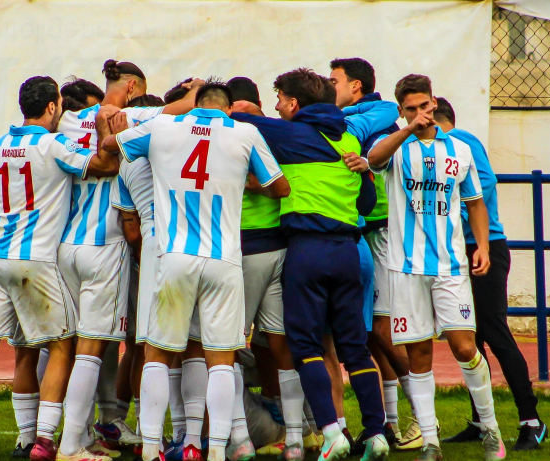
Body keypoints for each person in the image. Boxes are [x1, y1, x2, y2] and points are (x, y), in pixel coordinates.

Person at [102, 82, 290, 461]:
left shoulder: (163, 127)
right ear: (227, 109)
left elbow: (110, 146)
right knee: (220, 358)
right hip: (224, 261)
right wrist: (243, 179)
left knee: (157, 354)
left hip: (174, 257)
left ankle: (151, 447)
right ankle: (213, 448)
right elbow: (280, 187)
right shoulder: (245, 133)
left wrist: (117, 132)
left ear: (196, 106)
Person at [0, 76, 122, 461]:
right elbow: (105, 165)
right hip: (34, 260)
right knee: (61, 347)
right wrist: (106, 130)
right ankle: (44, 440)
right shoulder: (54, 144)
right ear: (53, 106)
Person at [231, 68, 397, 461]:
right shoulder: (348, 138)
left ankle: (331, 431)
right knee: (354, 348)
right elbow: (366, 205)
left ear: (293, 103)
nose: (275, 107)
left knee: (305, 346)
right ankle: (376, 432)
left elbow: (235, 120)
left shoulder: (290, 134)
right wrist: (363, 172)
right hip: (348, 251)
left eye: (279, 100)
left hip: (307, 251)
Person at [56, 61, 203, 461]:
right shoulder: (133, 117)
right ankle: (71, 444)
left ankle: (72, 432)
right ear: (134, 86)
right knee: (96, 347)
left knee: (70, 345)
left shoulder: (68, 119)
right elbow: (182, 109)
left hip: (67, 242)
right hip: (106, 244)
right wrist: (196, 87)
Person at [368, 74, 505, 461]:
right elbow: (373, 160)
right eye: (410, 109)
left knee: (464, 347)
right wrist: (406, 130)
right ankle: (430, 442)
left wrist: (483, 247)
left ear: (433, 103)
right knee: (418, 355)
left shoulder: (459, 149)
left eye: (424, 106)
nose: (420, 113)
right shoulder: (396, 148)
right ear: (402, 111)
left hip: (450, 266)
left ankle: (490, 429)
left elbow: (475, 203)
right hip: (405, 267)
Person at [433, 97, 547, 451]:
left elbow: (482, 187)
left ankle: (531, 420)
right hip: (454, 252)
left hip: (484, 248)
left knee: (494, 332)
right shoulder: (429, 149)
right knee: (467, 338)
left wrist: (452, 217)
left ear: (436, 116)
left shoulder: (462, 140)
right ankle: (480, 421)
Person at [330, 57, 420, 451]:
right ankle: (388, 424)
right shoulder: (363, 115)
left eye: (334, 81)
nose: (329, 87)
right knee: (367, 334)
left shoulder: (378, 115)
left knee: (383, 330)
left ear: (356, 86)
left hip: (384, 229)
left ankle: (423, 417)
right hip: (365, 231)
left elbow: (384, 115)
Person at [226, 76, 308, 461]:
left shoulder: (232, 132)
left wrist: (245, 182)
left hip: (245, 247)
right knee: (279, 341)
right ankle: (296, 436)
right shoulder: (278, 132)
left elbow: (276, 185)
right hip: (279, 246)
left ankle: (240, 437)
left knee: (225, 343)